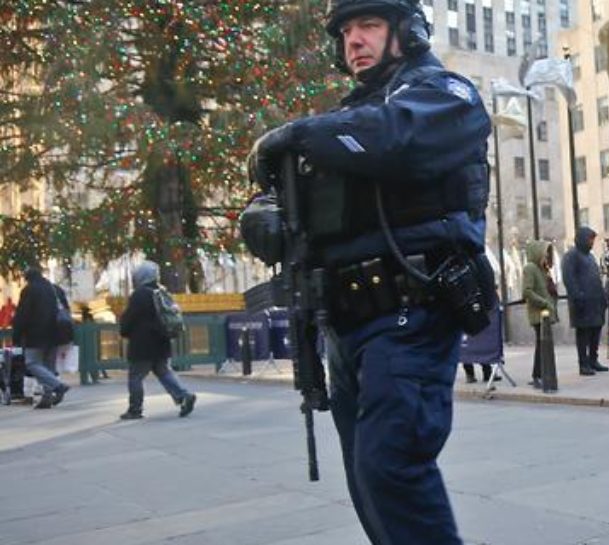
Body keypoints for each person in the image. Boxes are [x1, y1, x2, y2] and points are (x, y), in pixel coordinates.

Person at [239, 1, 492, 542]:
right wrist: (265, 209)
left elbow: (397, 137)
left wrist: (297, 134)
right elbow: (304, 202)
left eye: (369, 26)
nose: (354, 40)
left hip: (411, 310)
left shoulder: (444, 94)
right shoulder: (344, 124)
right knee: (366, 478)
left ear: (408, 32)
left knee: (390, 466)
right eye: (347, 30)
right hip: (345, 323)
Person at [117, 262, 197, 420]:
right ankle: (183, 395)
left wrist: (124, 330)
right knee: (164, 371)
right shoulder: (161, 292)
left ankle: (135, 409)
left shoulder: (140, 294)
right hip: (161, 341)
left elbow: (129, 318)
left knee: (136, 376)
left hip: (142, 344)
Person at [11, 266, 71, 409]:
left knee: (32, 363)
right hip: (56, 333)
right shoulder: (55, 289)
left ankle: (58, 386)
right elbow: (66, 309)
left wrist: (17, 336)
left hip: (35, 334)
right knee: (49, 366)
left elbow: (22, 315)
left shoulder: (29, 290)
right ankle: (47, 397)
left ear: (28, 278)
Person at [561, 227, 609, 376]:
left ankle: (593, 360)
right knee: (583, 335)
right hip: (582, 302)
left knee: (595, 332)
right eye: (590, 239)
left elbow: (596, 278)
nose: (591, 242)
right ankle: (583, 363)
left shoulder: (590, 257)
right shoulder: (571, 256)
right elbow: (569, 279)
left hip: (595, 302)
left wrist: (602, 297)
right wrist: (578, 296)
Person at [523, 240, 558, 390]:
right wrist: (544, 302)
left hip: (545, 312)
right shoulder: (530, 268)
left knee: (543, 345)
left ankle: (542, 373)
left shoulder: (542, 269)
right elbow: (527, 291)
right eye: (544, 253)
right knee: (541, 345)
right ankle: (537, 375)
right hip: (539, 313)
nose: (546, 256)